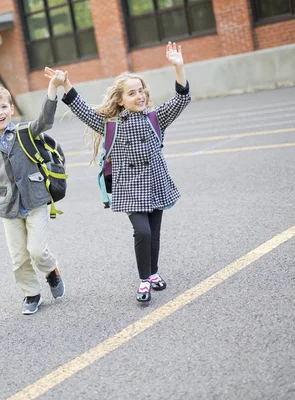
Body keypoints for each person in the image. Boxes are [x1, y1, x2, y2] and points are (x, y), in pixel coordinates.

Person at [46, 41, 191, 303]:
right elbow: (83, 111)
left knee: (155, 233)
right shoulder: (111, 126)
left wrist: (178, 68)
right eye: (132, 93)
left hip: (156, 183)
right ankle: (144, 280)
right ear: (120, 101)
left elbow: (181, 99)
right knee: (143, 232)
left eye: (141, 91)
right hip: (130, 188)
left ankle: (154, 272)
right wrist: (65, 84)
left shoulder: (156, 118)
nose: (140, 96)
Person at [0, 72, 68, 315]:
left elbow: (45, 121)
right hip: (9, 206)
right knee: (18, 257)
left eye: (3, 106)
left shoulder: (26, 132)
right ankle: (31, 294)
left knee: (37, 251)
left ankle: (51, 271)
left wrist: (52, 88)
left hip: (35, 199)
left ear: (11, 109)